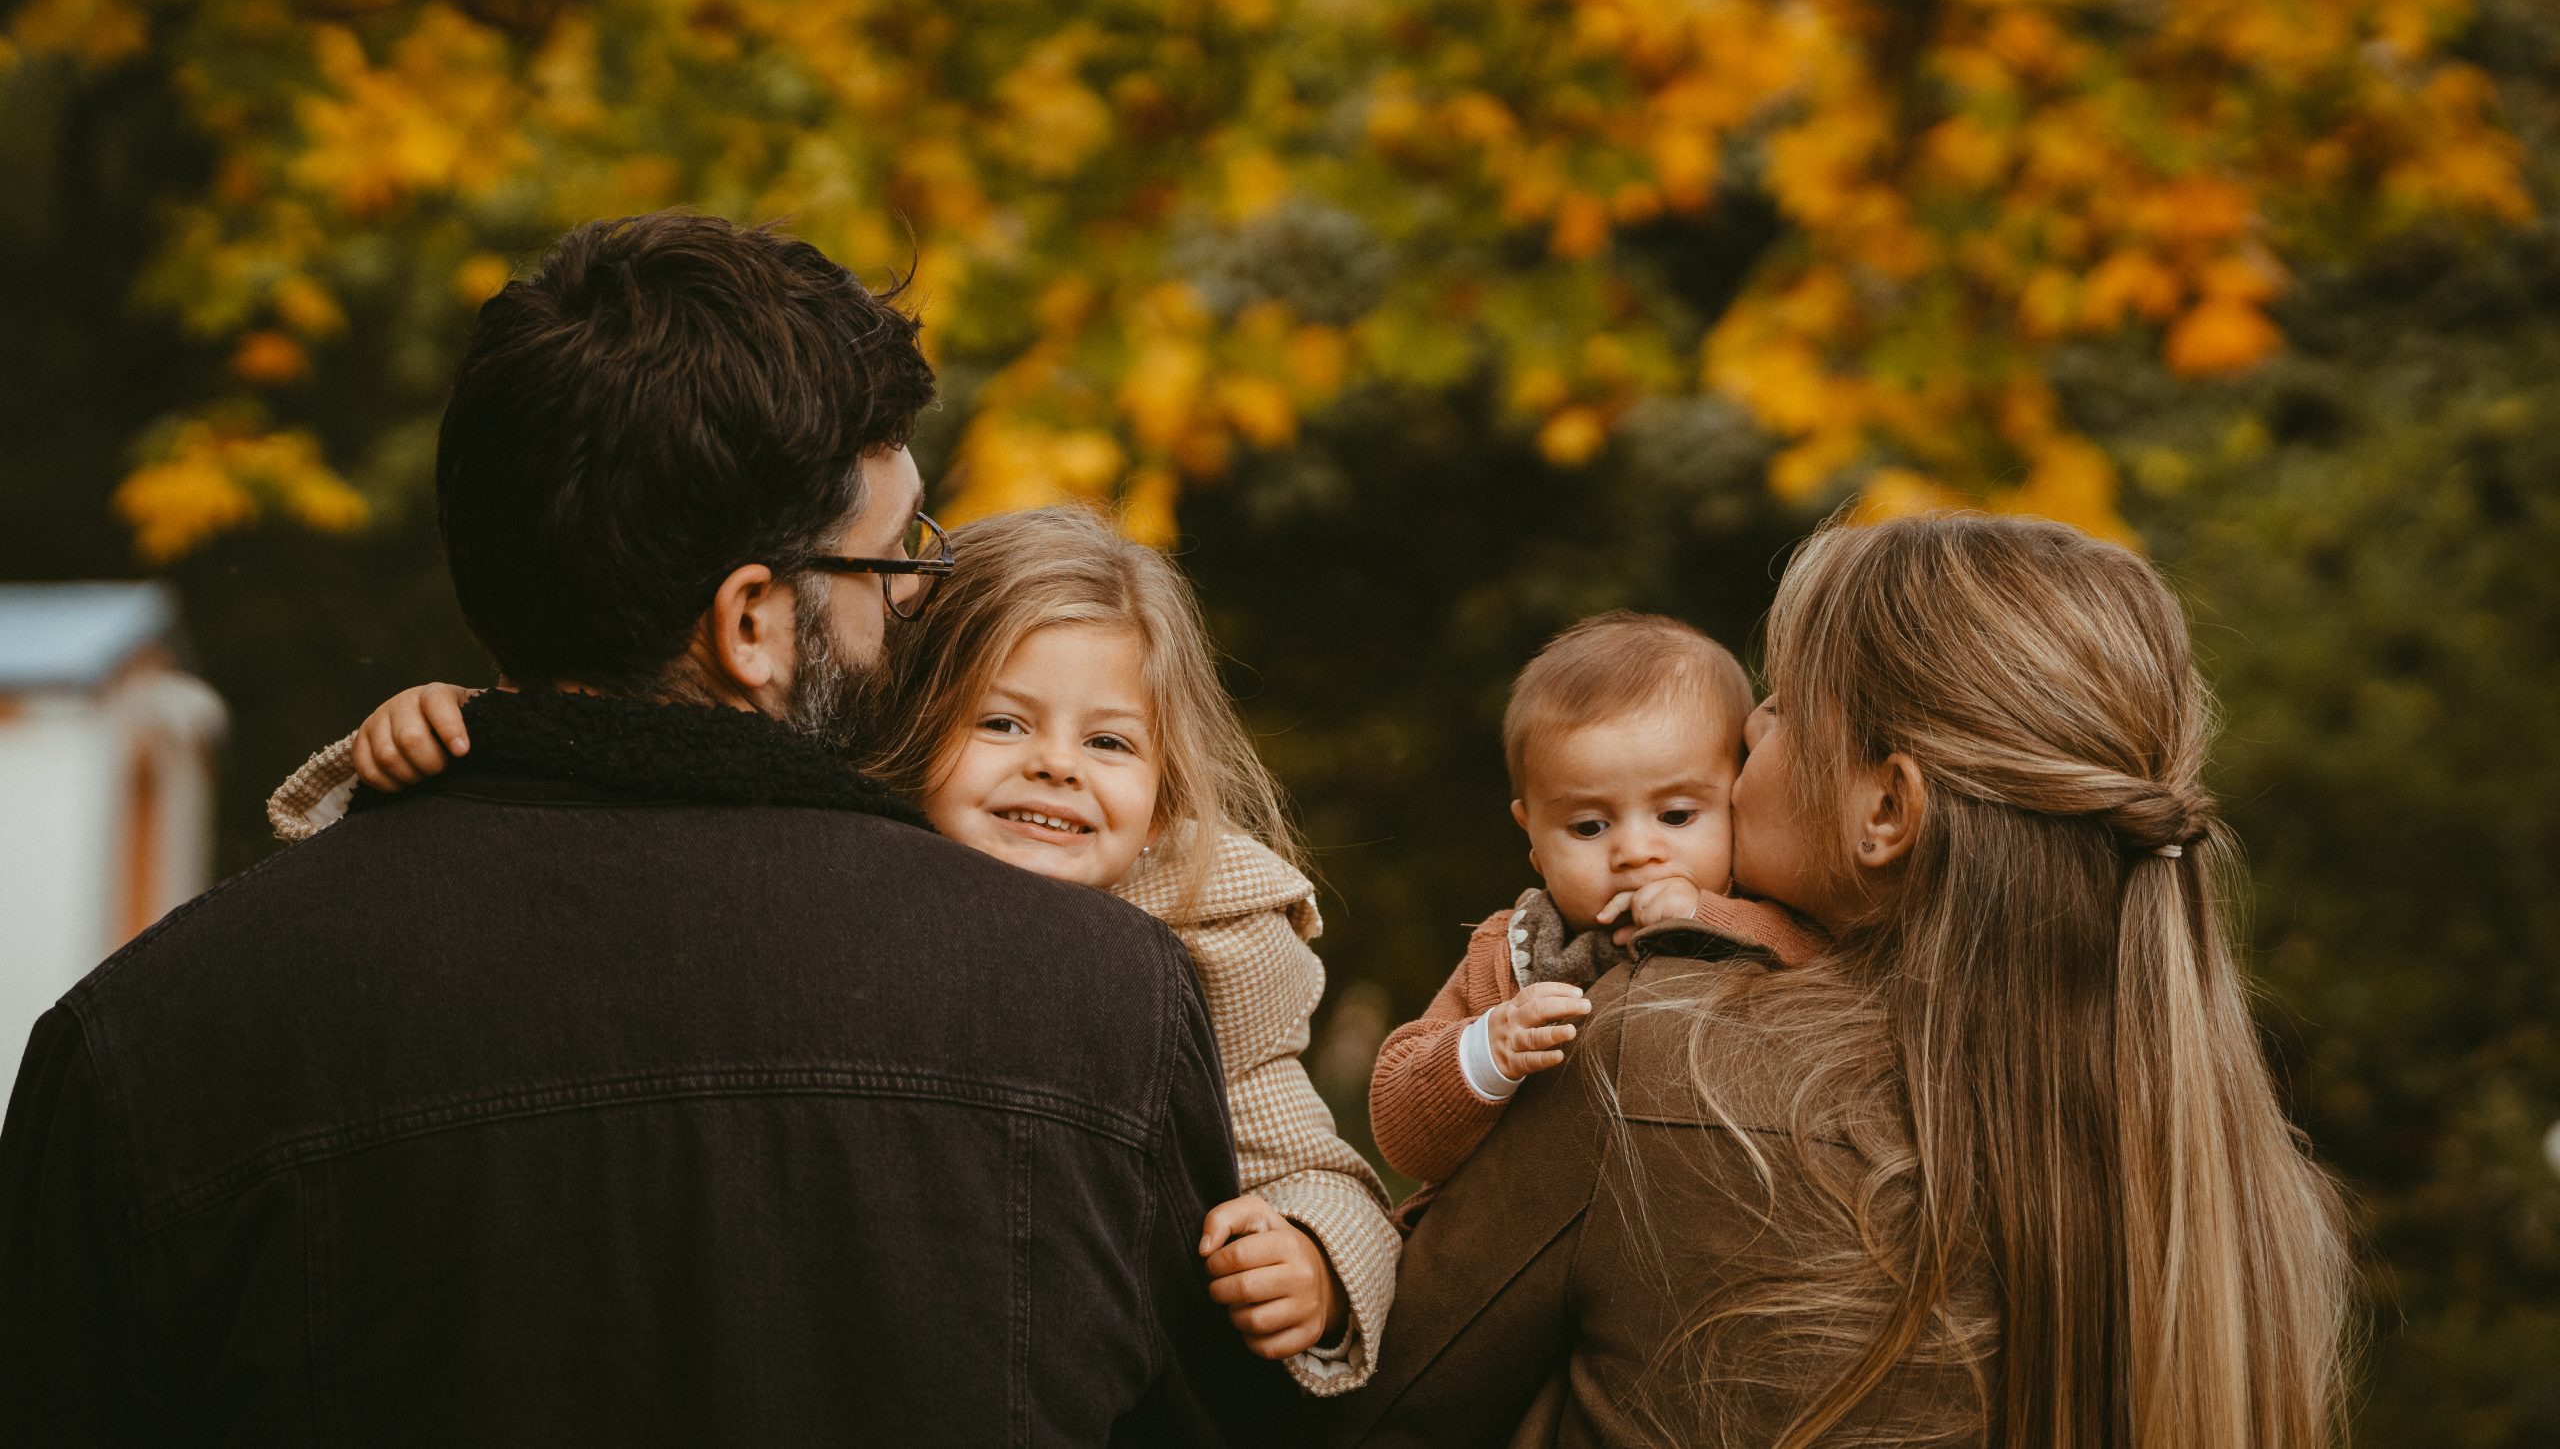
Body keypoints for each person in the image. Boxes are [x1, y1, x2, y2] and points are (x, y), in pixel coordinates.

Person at [0, 212, 1298, 1445]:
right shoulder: (1090, 1003)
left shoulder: (146, 1042)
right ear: (748, 622)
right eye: (896, 559)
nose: (914, 611)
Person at [270, 506, 1403, 1395]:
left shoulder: (1213, 950)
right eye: (1003, 723)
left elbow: (1312, 1161)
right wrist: (439, 737)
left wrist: (1311, 1257)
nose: (1056, 766)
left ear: (1163, 795)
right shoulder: (821, 878)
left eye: (1109, 742)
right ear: (912, 732)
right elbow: (481, 836)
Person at [1329, 514, 2355, 1449]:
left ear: (1886, 811)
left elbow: (1370, 1409)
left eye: (1776, 709)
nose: (1746, 741)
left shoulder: (1659, 1063)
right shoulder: (2247, 1205)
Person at [1365, 613, 1822, 1198]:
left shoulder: (1771, 916)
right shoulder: (1514, 956)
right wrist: (1487, 1048)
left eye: (1677, 816)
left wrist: (1705, 917)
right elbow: (1403, 1134)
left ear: (1736, 797)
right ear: (1532, 836)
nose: (1634, 852)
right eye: (1588, 826)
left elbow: (1830, 980)